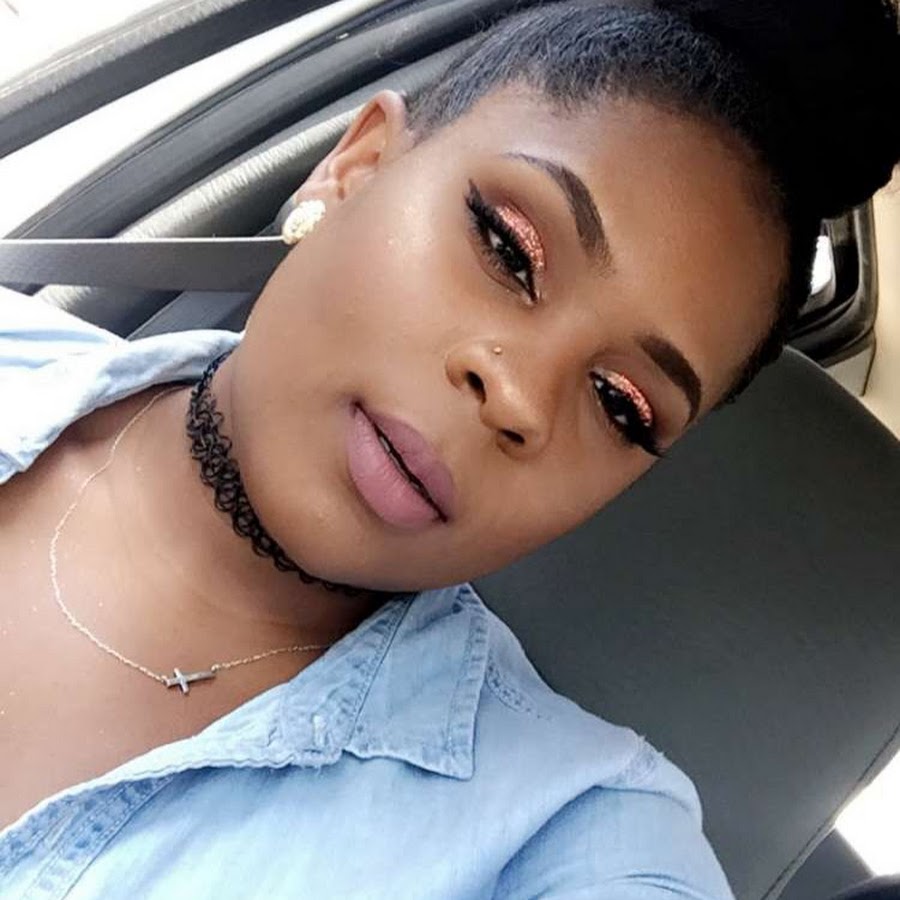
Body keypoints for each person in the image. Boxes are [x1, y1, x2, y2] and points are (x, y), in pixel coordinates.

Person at [1, 0, 898, 897]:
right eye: (509, 248)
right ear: (356, 167)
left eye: (620, 407)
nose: (519, 397)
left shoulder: (566, 831)